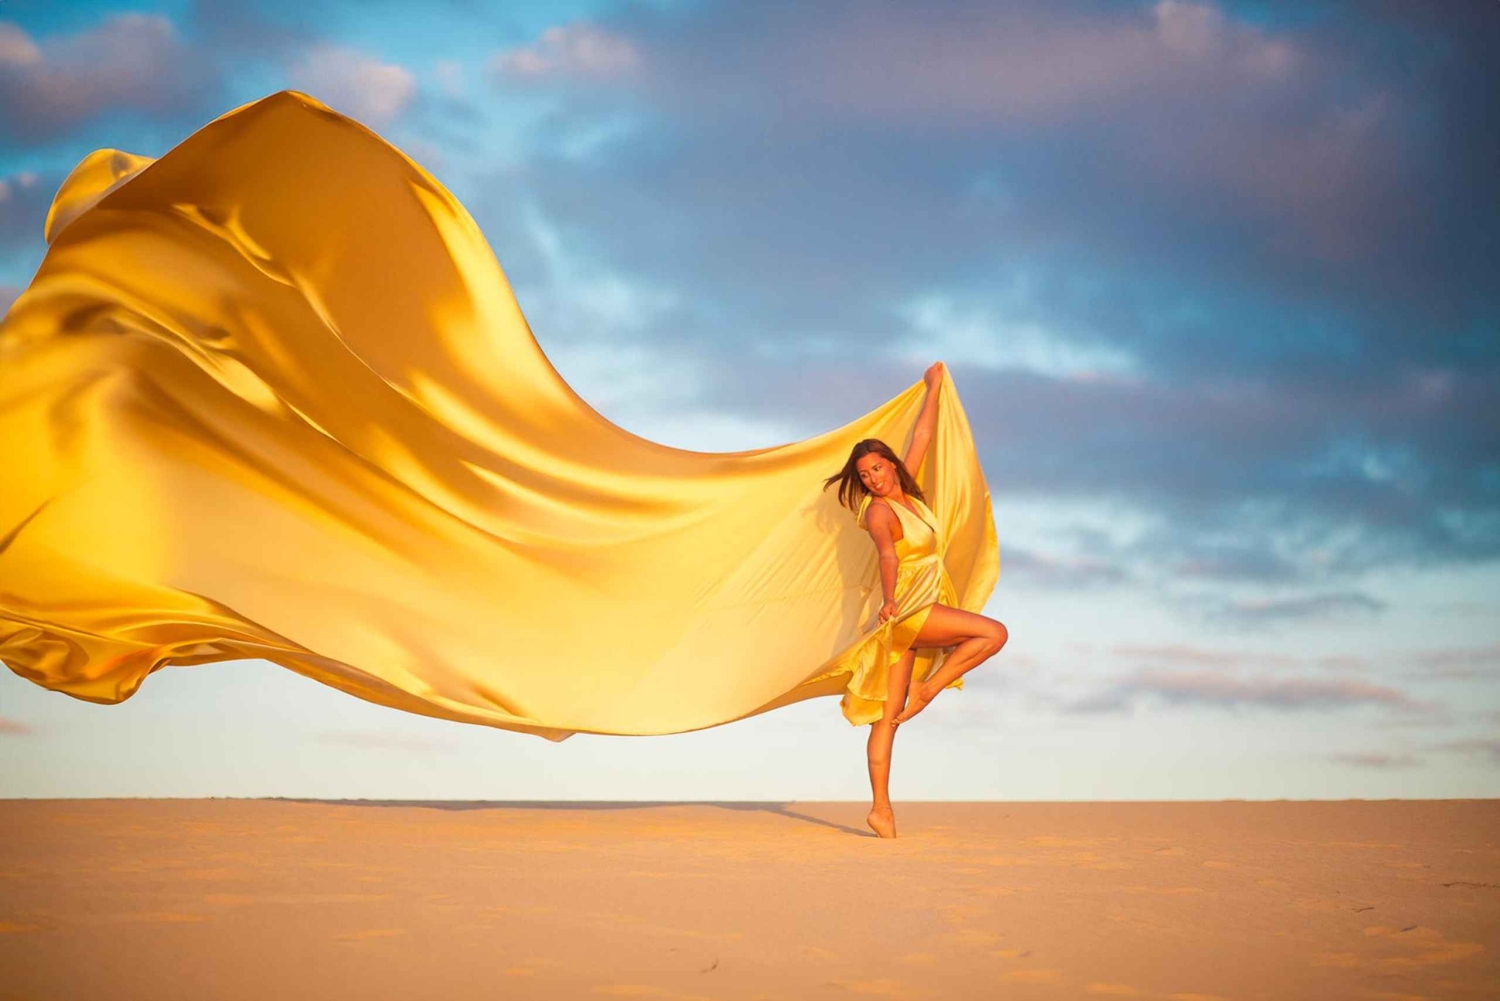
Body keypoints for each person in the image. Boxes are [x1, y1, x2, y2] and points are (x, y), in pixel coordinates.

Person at [823, 361, 1008, 838]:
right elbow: (888, 557)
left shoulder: (908, 495)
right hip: (910, 608)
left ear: (891, 466)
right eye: (864, 475)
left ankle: (880, 809)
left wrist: (933, 388)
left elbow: (921, 438)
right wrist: (888, 601)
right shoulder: (881, 512)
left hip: (909, 616)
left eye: (878, 468)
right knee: (993, 633)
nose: (873, 479)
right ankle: (930, 688)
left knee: (887, 719)